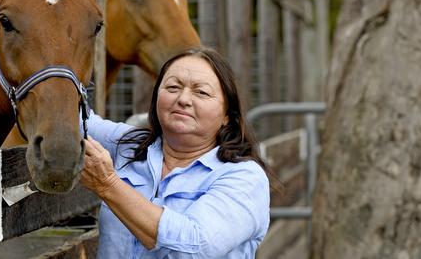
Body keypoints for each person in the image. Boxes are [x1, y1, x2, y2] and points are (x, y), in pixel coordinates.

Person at [80, 47, 277, 258]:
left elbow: (196, 247)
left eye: (201, 92)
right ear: (157, 97)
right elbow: (76, 121)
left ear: (227, 115)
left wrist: (109, 185)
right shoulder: (129, 145)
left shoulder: (244, 177)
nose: (183, 99)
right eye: (173, 87)